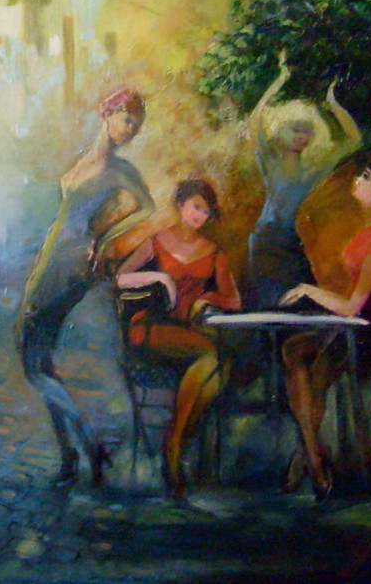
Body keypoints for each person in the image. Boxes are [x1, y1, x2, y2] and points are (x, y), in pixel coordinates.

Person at [16, 87, 154, 486]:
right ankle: (72, 454)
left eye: (135, 125)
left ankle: (87, 445)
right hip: (52, 259)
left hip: (73, 263)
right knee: (39, 361)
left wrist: (107, 237)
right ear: (106, 114)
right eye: (126, 120)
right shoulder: (85, 161)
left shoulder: (119, 171)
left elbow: (147, 207)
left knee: (32, 358)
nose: (130, 130)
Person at [277, 151, 371, 501]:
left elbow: (354, 306)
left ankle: (310, 459)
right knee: (293, 350)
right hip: (350, 324)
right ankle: (311, 451)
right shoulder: (364, 229)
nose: (356, 181)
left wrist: (308, 290)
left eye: (365, 178)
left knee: (317, 369)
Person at [114, 178, 241, 499]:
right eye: (196, 207)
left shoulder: (213, 252)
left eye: (206, 212)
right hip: (150, 326)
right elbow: (119, 278)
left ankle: (176, 444)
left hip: (187, 332)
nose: (200, 216)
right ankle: (174, 445)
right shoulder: (158, 240)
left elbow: (234, 300)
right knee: (213, 359)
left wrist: (207, 297)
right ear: (181, 205)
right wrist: (159, 277)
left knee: (220, 368)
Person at [247, 50, 362, 309]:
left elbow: (354, 140)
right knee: (273, 306)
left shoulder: (313, 170)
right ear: (281, 128)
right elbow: (255, 124)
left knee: (302, 303)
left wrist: (333, 103)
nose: (301, 136)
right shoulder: (271, 160)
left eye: (307, 132)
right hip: (266, 240)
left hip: (292, 242)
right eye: (296, 130)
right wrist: (278, 81)